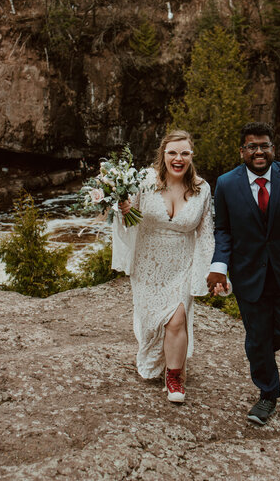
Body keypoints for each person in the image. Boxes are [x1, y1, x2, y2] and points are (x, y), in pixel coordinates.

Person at [207, 122, 280, 425]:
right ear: (242, 151)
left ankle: (257, 350)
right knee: (258, 334)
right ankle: (268, 394)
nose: (259, 151)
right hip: (247, 275)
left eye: (264, 145)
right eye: (252, 146)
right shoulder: (226, 183)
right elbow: (223, 231)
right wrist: (219, 266)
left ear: (273, 149)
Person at [112, 130, 217, 403]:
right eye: (172, 152)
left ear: (192, 156)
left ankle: (175, 378)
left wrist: (209, 273)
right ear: (163, 154)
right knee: (151, 324)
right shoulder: (145, 181)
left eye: (184, 153)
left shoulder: (202, 188)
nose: (178, 158)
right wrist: (123, 209)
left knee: (177, 320)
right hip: (148, 263)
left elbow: (206, 235)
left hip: (182, 263)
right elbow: (128, 219)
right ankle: (158, 360)